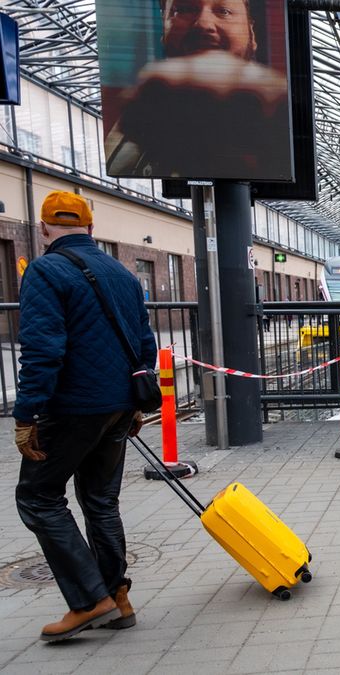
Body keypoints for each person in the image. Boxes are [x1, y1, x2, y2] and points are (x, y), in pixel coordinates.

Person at [14, 192, 158, 642]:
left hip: (73, 407)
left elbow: (42, 349)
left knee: (37, 498)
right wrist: (134, 404)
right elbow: (144, 343)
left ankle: (87, 600)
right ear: (91, 228)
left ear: (43, 229)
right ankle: (117, 597)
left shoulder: (44, 270)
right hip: (118, 406)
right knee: (100, 501)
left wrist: (26, 413)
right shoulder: (122, 272)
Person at [104, 0, 290, 179]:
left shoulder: (282, 117)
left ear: (252, 34)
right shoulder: (125, 128)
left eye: (224, 11)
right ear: (164, 30)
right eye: (183, 9)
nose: (203, 24)